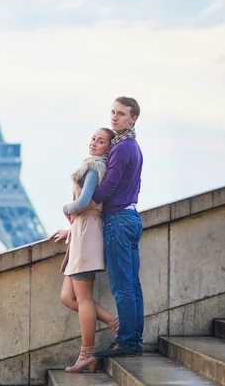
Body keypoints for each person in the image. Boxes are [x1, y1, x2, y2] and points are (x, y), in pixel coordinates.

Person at [49, 127, 119, 373]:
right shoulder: (92, 166)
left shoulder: (94, 168)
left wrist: (66, 208)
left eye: (100, 141)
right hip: (82, 231)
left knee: (84, 298)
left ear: (107, 148)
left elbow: (83, 202)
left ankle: (87, 353)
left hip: (87, 233)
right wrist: (71, 227)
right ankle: (114, 322)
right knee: (67, 297)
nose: (94, 143)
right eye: (93, 138)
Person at [91, 96, 144, 358]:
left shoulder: (121, 148)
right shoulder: (133, 146)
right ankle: (134, 339)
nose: (114, 117)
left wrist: (83, 204)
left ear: (132, 118)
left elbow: (108, 186)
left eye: (121, 114)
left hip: (118, 221)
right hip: (132, 217)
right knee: (133, 285)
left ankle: (125, 342)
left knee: (122, 286)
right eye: (113, 112)